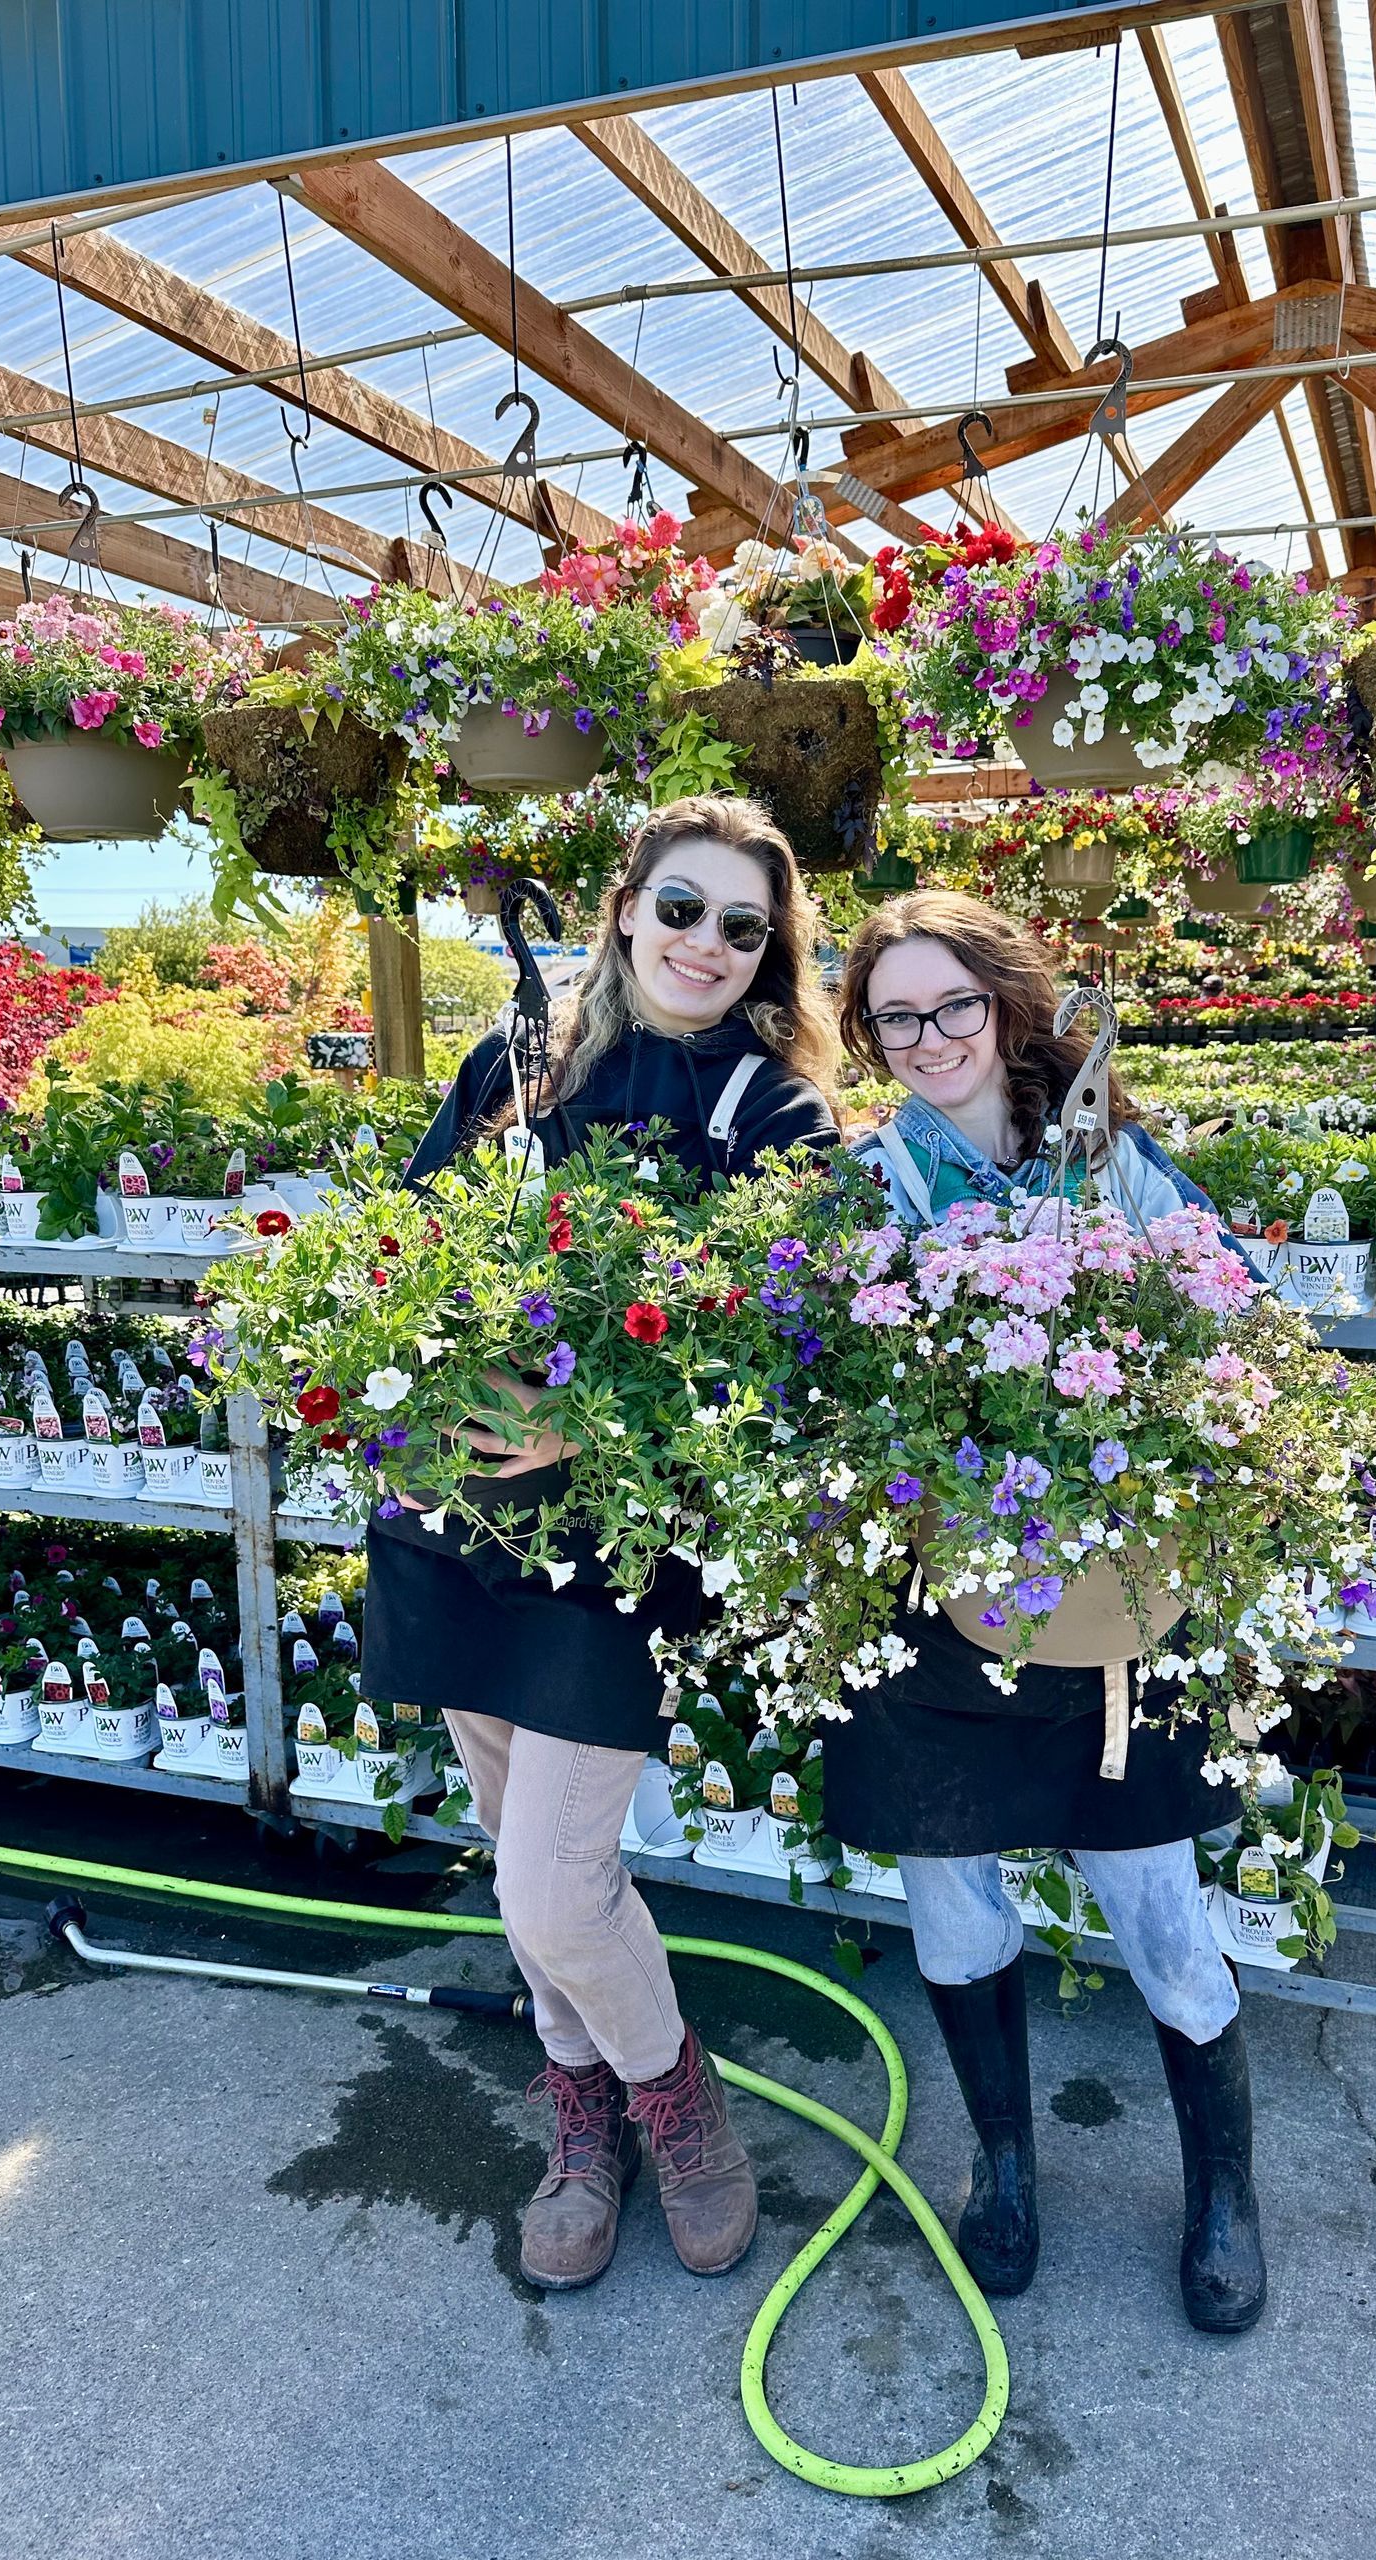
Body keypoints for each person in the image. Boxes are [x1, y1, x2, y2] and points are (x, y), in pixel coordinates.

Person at [363, 796, 840, 2292]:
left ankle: (672, 2092)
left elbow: (796, 1350)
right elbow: (405, 1245)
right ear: (628, 905)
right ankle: (582, 2109)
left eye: (743, 926)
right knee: (516, 1855)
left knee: (555, 1891)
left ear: (770, 955)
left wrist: (601, 1416)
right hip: (457, 1515)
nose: (707, 943)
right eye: (682, 907)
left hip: (610, 1546)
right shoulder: (522, 1066)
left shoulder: (776, 1116)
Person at [824, 888, 1265, 2333]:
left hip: (1106, 1599)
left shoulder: (1113, 1154)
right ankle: (1003, 2167)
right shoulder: (868, 1178)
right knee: (953, 1903)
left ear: (1009, 1003)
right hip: (938, 1603)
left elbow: (1245, 1308)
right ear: (870, 1035)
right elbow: (820, 1363)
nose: (931, 1037)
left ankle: (1222, 2191)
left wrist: (1146, 1344)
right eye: (898, 1015)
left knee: (1160, 1910)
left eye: (955, 1003)